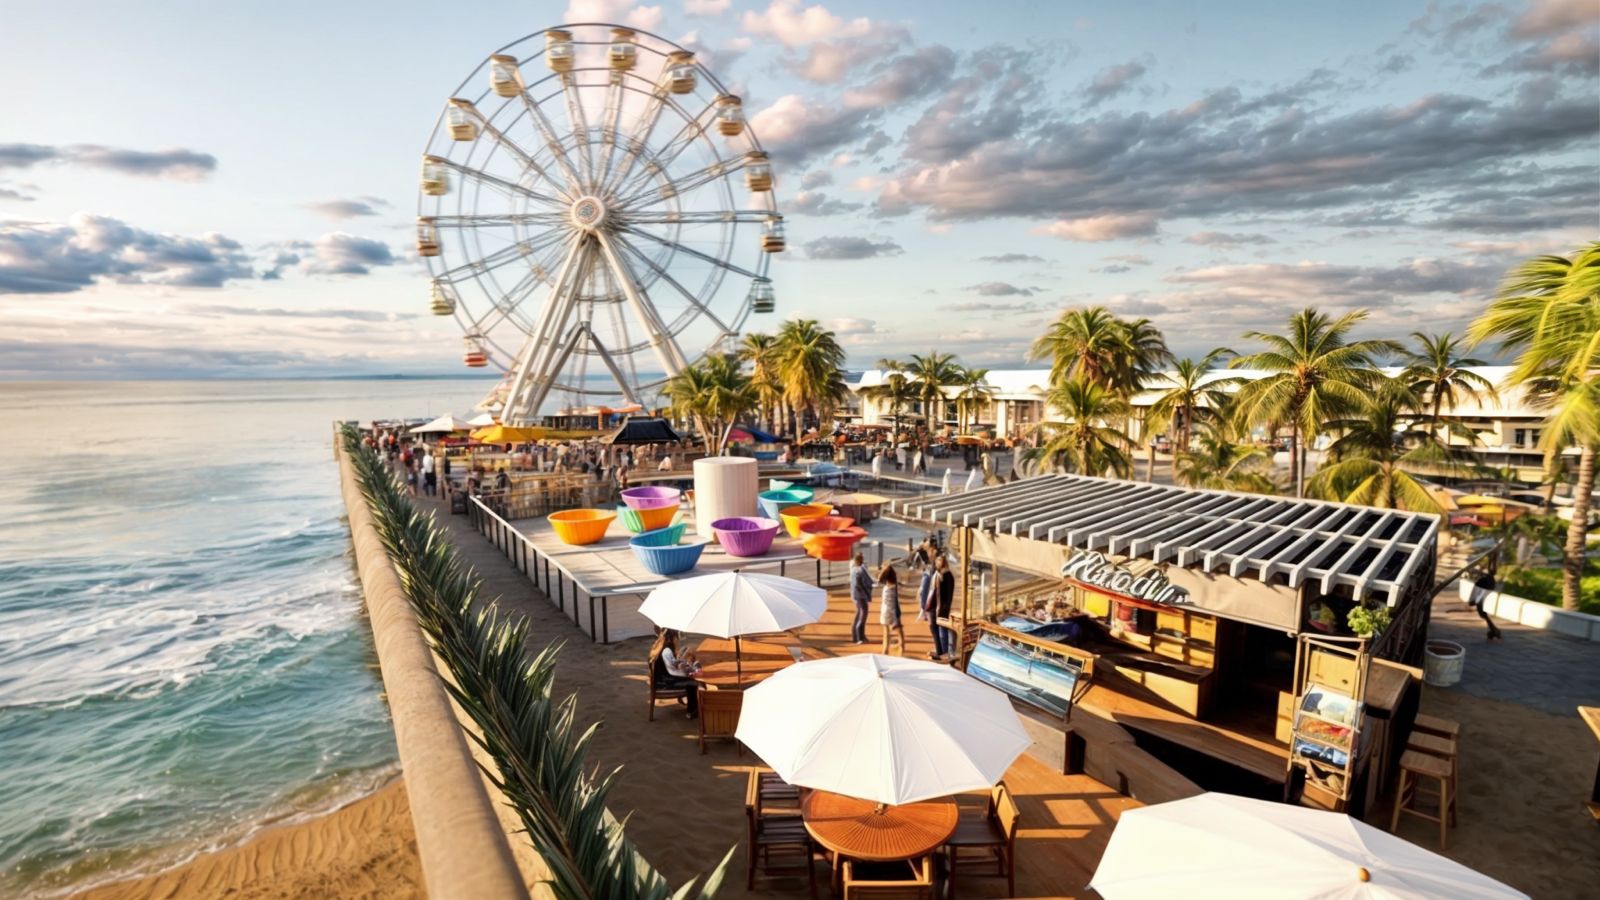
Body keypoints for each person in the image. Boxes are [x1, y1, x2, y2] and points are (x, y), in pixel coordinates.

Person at [649, 629, 701, 718]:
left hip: (664, 677)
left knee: (690, 678)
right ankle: (692, 711)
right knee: (693, 682)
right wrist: (685, 666)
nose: (677, 640)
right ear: (672, 638)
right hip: (666, 681)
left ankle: (692, 708)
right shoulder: (667, 651)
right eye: (676, 638)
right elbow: (674, 668)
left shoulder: (662, 648)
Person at [879, 565, 905, 656]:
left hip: (885, 610)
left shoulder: (886, 586)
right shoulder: (894, 585)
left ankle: (885, 651)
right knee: (899, 630)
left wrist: (884, 570)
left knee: (886, 632)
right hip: (893, 609)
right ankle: (902, 647)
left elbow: (880, 578)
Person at [918, 559, 941, 658]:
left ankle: (939, 650)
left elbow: (924, 593)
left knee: (933, 628)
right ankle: (939, 648)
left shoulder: (929, 576)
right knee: (936, 628)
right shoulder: (938, 575)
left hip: (931, 606)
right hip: (936, 606)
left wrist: (923, 608)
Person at [935, 556, 957, 659]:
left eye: (938, 562)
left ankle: (945, 652)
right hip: (945, 606)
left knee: (943, 631)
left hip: (943, 608)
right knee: (945, 630)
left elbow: (942, 595)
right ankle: (947, 651)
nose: (936, 565)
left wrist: (941, 608)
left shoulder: (944, 576)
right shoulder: (947, 575)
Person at [849, 553, 873, 644]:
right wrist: (868, 590)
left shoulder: (853, 570)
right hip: (861, 596)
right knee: (863, 615)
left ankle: (857, 636)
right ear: (859, 560)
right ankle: (859, 637)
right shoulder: (860, 570)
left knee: (859, 614)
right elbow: (865, 582)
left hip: (857, 596)